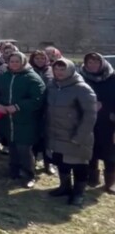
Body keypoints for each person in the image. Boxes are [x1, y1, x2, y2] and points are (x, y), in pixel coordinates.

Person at [0, 51, 46, 189]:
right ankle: (14, 171)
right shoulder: (3, 77)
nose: (14, 64)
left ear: (23, 62)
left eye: (17, 61)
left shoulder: (32, 78)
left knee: (24, 148)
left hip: (26, 120)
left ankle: (29, 175)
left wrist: (18, 106)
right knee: (12, 146)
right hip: (7, 120)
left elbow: (38, 98)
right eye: (12, 61)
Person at [47, 59, 98, 207]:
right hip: (56, 134)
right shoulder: (52, 86)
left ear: (70, 70)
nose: (59, 73)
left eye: (62, 69)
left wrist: (80, 136)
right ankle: (64, 187)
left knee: (79, 165)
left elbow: (90, 115)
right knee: (61, 162)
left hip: (75, 135)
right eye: (56, 69)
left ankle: (78, 193)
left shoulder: (82, 88)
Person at [80, 53, 115, 195]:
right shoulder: (81, 78)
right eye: (89, 62)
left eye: (96, 62)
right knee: (90, 149)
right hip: (88, 119)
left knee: (111, 152)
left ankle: (110, 182)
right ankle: (93, 178)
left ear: (102, 63)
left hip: (109, 121)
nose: (92, 65)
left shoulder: (112, 78)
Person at [30, 50, 57, 176]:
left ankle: (48, 163)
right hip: (33, 108)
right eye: (37, 58)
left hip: (49, 108)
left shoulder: (52, 71)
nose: (39, 61)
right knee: (34, 136)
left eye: (42, 58)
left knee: (48, 137)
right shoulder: (28, 71)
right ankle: (32, 161)